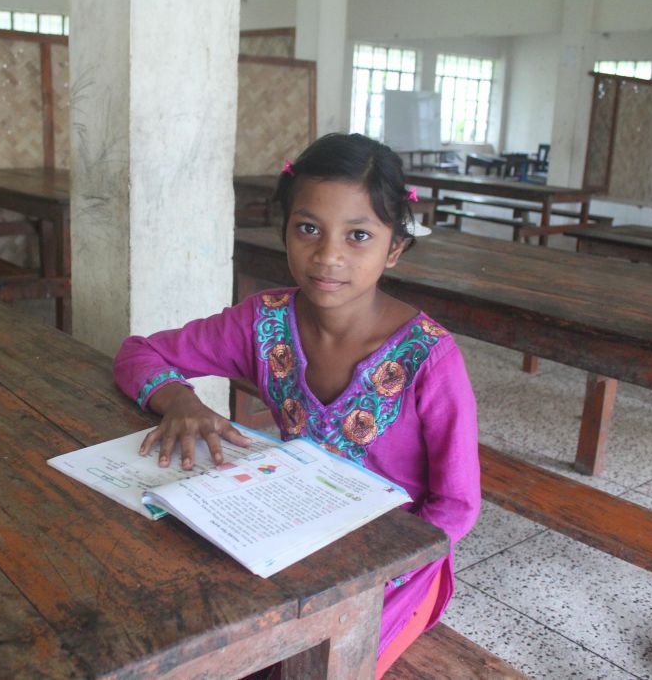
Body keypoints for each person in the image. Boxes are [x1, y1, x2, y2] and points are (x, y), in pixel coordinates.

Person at [113, 132, 480, 679]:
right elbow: (139, 353)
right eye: (308, 229)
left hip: (396, 569)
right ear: (285, 231)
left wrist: (368, 575)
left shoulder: (430, 358)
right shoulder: (262, 321)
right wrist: (178, 400)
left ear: (394, 247)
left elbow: (455, 506)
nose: (328, 256)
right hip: (289, 530)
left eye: (358, 235)